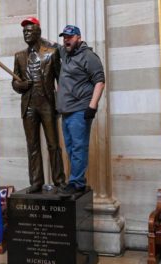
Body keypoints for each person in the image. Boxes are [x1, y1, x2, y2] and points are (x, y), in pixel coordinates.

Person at [12, 17, 66, 194]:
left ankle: (59, 181)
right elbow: (15, 82)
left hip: (47, 105)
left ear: (38, 33)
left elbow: (61, 81)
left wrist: (62, 105)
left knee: (53, 144)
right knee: (32, 145)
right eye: (24, 32)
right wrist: (21, 85)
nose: (26, 34)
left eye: (29, 31)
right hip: (28, 106)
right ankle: (36, 182)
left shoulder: (51, 53)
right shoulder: (19, 56)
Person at [56, 25, 105, 196]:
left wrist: (92, 106)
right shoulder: (65, 53)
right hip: (66, 111)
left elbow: (100, 81)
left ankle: (75, 182)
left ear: (78, 37)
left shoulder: (88, 56)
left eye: (70, 37)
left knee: (78, 147)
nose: (66, 40)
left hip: (80, 109)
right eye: (64, 37)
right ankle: (79, 181)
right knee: (70, 148)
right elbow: (50, 45)